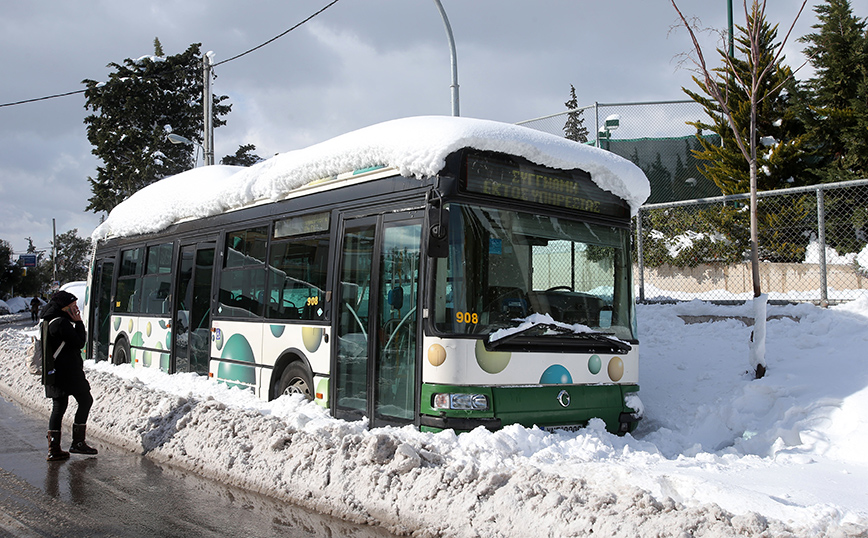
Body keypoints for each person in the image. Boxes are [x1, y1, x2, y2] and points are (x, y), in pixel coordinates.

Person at [42, 290, 98, 461]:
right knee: (85, 400)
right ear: (64, 307)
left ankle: (54, 448)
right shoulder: (61, 324)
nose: (76, 309)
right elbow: (80, 342)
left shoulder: (48, 320)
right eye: (72, 306)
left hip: (55, 372)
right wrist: (79, 323)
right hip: (68, 372)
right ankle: (78, 443)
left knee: (59, 407)